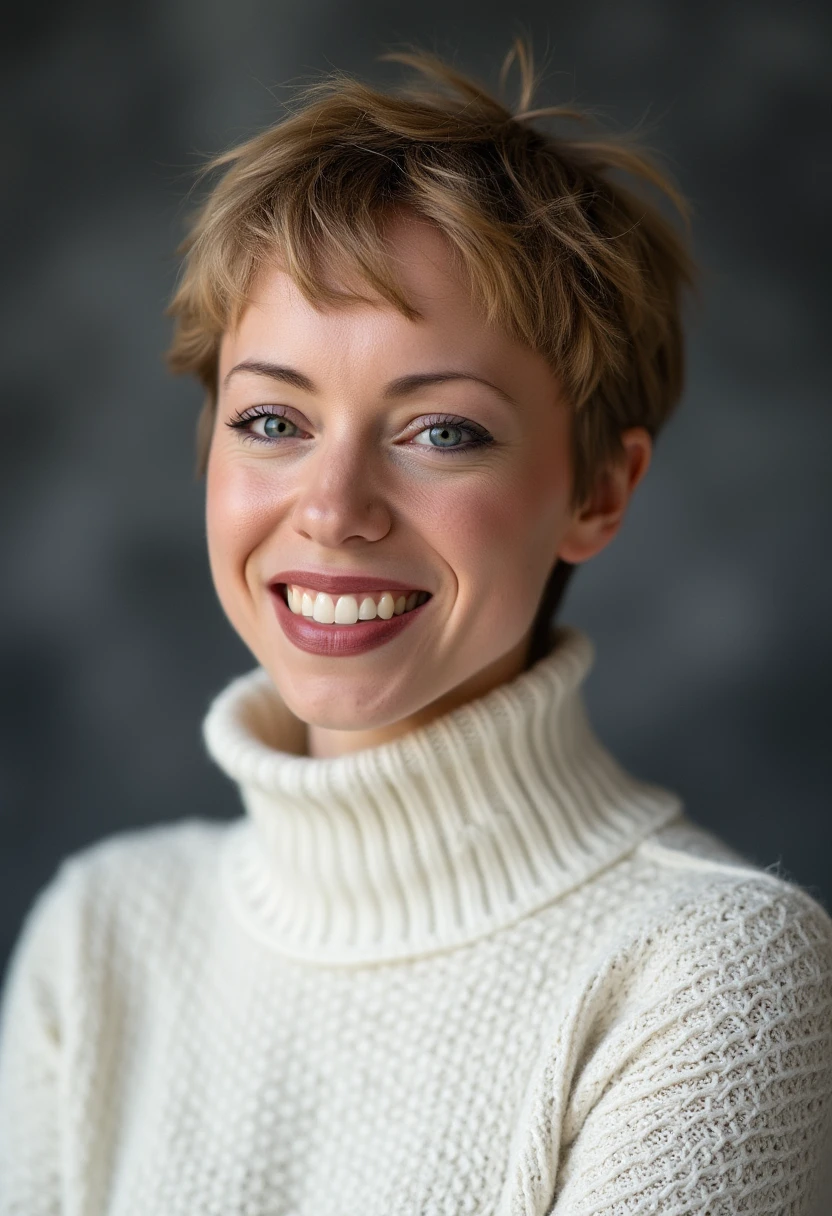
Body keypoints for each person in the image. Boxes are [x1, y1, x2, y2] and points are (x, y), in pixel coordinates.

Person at [1, 41, 831, 1216]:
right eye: (274, 418)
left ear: (597, 490)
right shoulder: (100, 941)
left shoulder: (710, 977)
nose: (331, 510)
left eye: (441, 431)